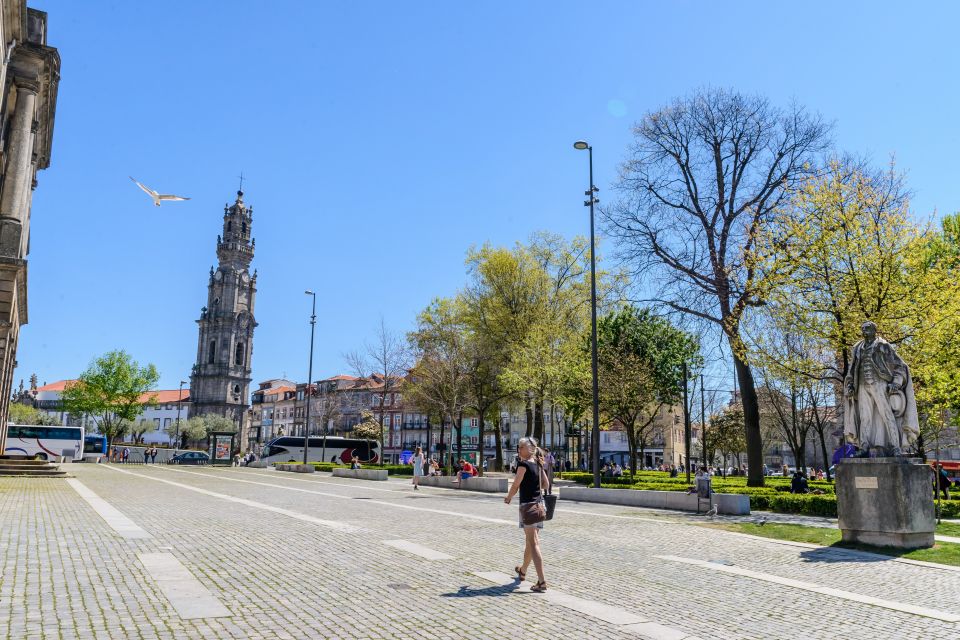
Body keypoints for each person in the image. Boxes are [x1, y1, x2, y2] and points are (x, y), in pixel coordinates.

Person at [504, 437, 549, 593]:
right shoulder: (537, 463)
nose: (519, 450)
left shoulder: (522, 465)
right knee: (530, 541)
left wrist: (509, 497)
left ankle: (542, 582)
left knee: (534, 543)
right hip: (539, 507)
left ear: (529, 449)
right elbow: (546, 485)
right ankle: (522, 570)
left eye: (521, 447)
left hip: (528, 507)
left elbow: (516, 484)